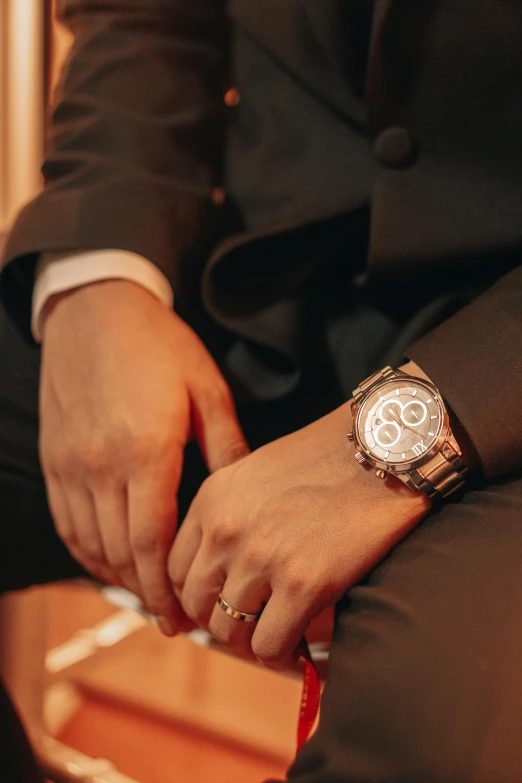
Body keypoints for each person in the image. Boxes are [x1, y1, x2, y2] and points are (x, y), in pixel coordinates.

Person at [2, 1, 522, 780]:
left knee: (426, 750)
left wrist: (391, 444)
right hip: (237, 281)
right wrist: (99, 273)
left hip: (503, 394)